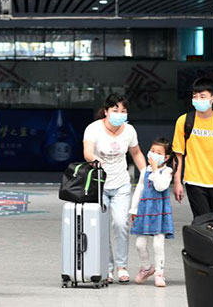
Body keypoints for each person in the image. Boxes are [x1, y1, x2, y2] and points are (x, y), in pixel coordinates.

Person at [82, 93, 146, 284]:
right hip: (99, 184)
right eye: (115, 110)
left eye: (123, 111)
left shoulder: (129, 131)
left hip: (121, 184)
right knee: (101, 227)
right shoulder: (93, 129)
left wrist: (147, 174)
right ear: (106, 111)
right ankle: (107, 267)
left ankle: (122, 266)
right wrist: (94, 159)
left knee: (121, 223)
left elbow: (136, 153)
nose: (119, 114)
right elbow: (87, 151)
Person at [172, 77, 213, 218]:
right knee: (203, 222)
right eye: (195, 96)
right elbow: (178, 154)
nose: (198, 100)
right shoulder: (184, 121)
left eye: (202, 96)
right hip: (194, 180)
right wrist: (177, 182)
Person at [130, 137, 175, 288]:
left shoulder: (167, 171)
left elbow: (161, 186)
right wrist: (134, 209)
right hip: (144, 210)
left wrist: (155, 169)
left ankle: (159, 273)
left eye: (158, 152)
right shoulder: (144, 171)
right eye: (152, 151)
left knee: (158, 244)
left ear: (166, 157)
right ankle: (147, 267)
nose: (153, 154)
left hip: (159, 211)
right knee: (139, 244)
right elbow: (139, 189)